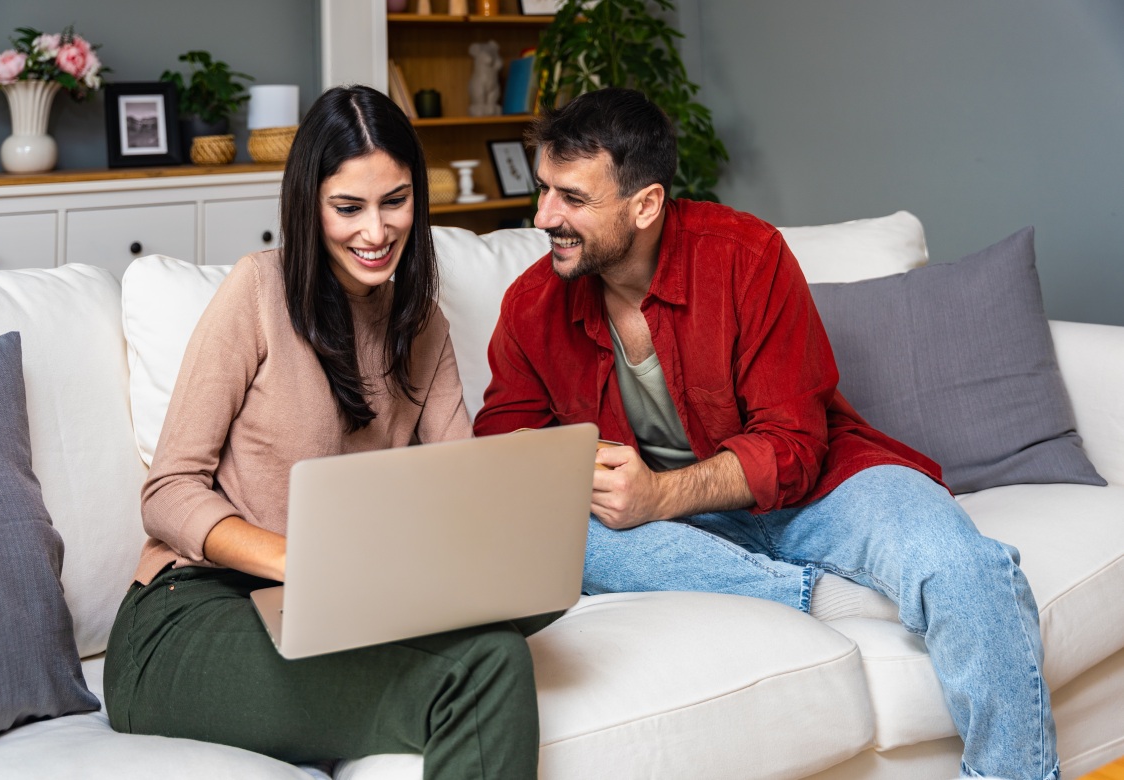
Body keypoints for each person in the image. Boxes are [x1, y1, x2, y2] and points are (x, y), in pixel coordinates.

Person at [473, 87, 1058, 780]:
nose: (543, 217)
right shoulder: (532, 303)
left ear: (646, 204)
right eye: (542, 190)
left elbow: (793, 447)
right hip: (669, 537)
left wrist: (658, 492)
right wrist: (579, 476)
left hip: (817, 491)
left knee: (964, 567)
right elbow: (507, 446)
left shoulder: (746, 256)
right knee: (567, 536)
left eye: (571, 198)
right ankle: (820, 597)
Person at [104, 85, 540, 779]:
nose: (376, 231)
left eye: (395, 201)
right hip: (190, 617)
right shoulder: (258, 292)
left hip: (340, 609)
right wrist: (303, 563)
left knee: (502, 633)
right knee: (485, 667)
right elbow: (168, 491)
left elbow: (463, 488)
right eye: (348, 208)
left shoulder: (422, 324)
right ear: (310, 205)